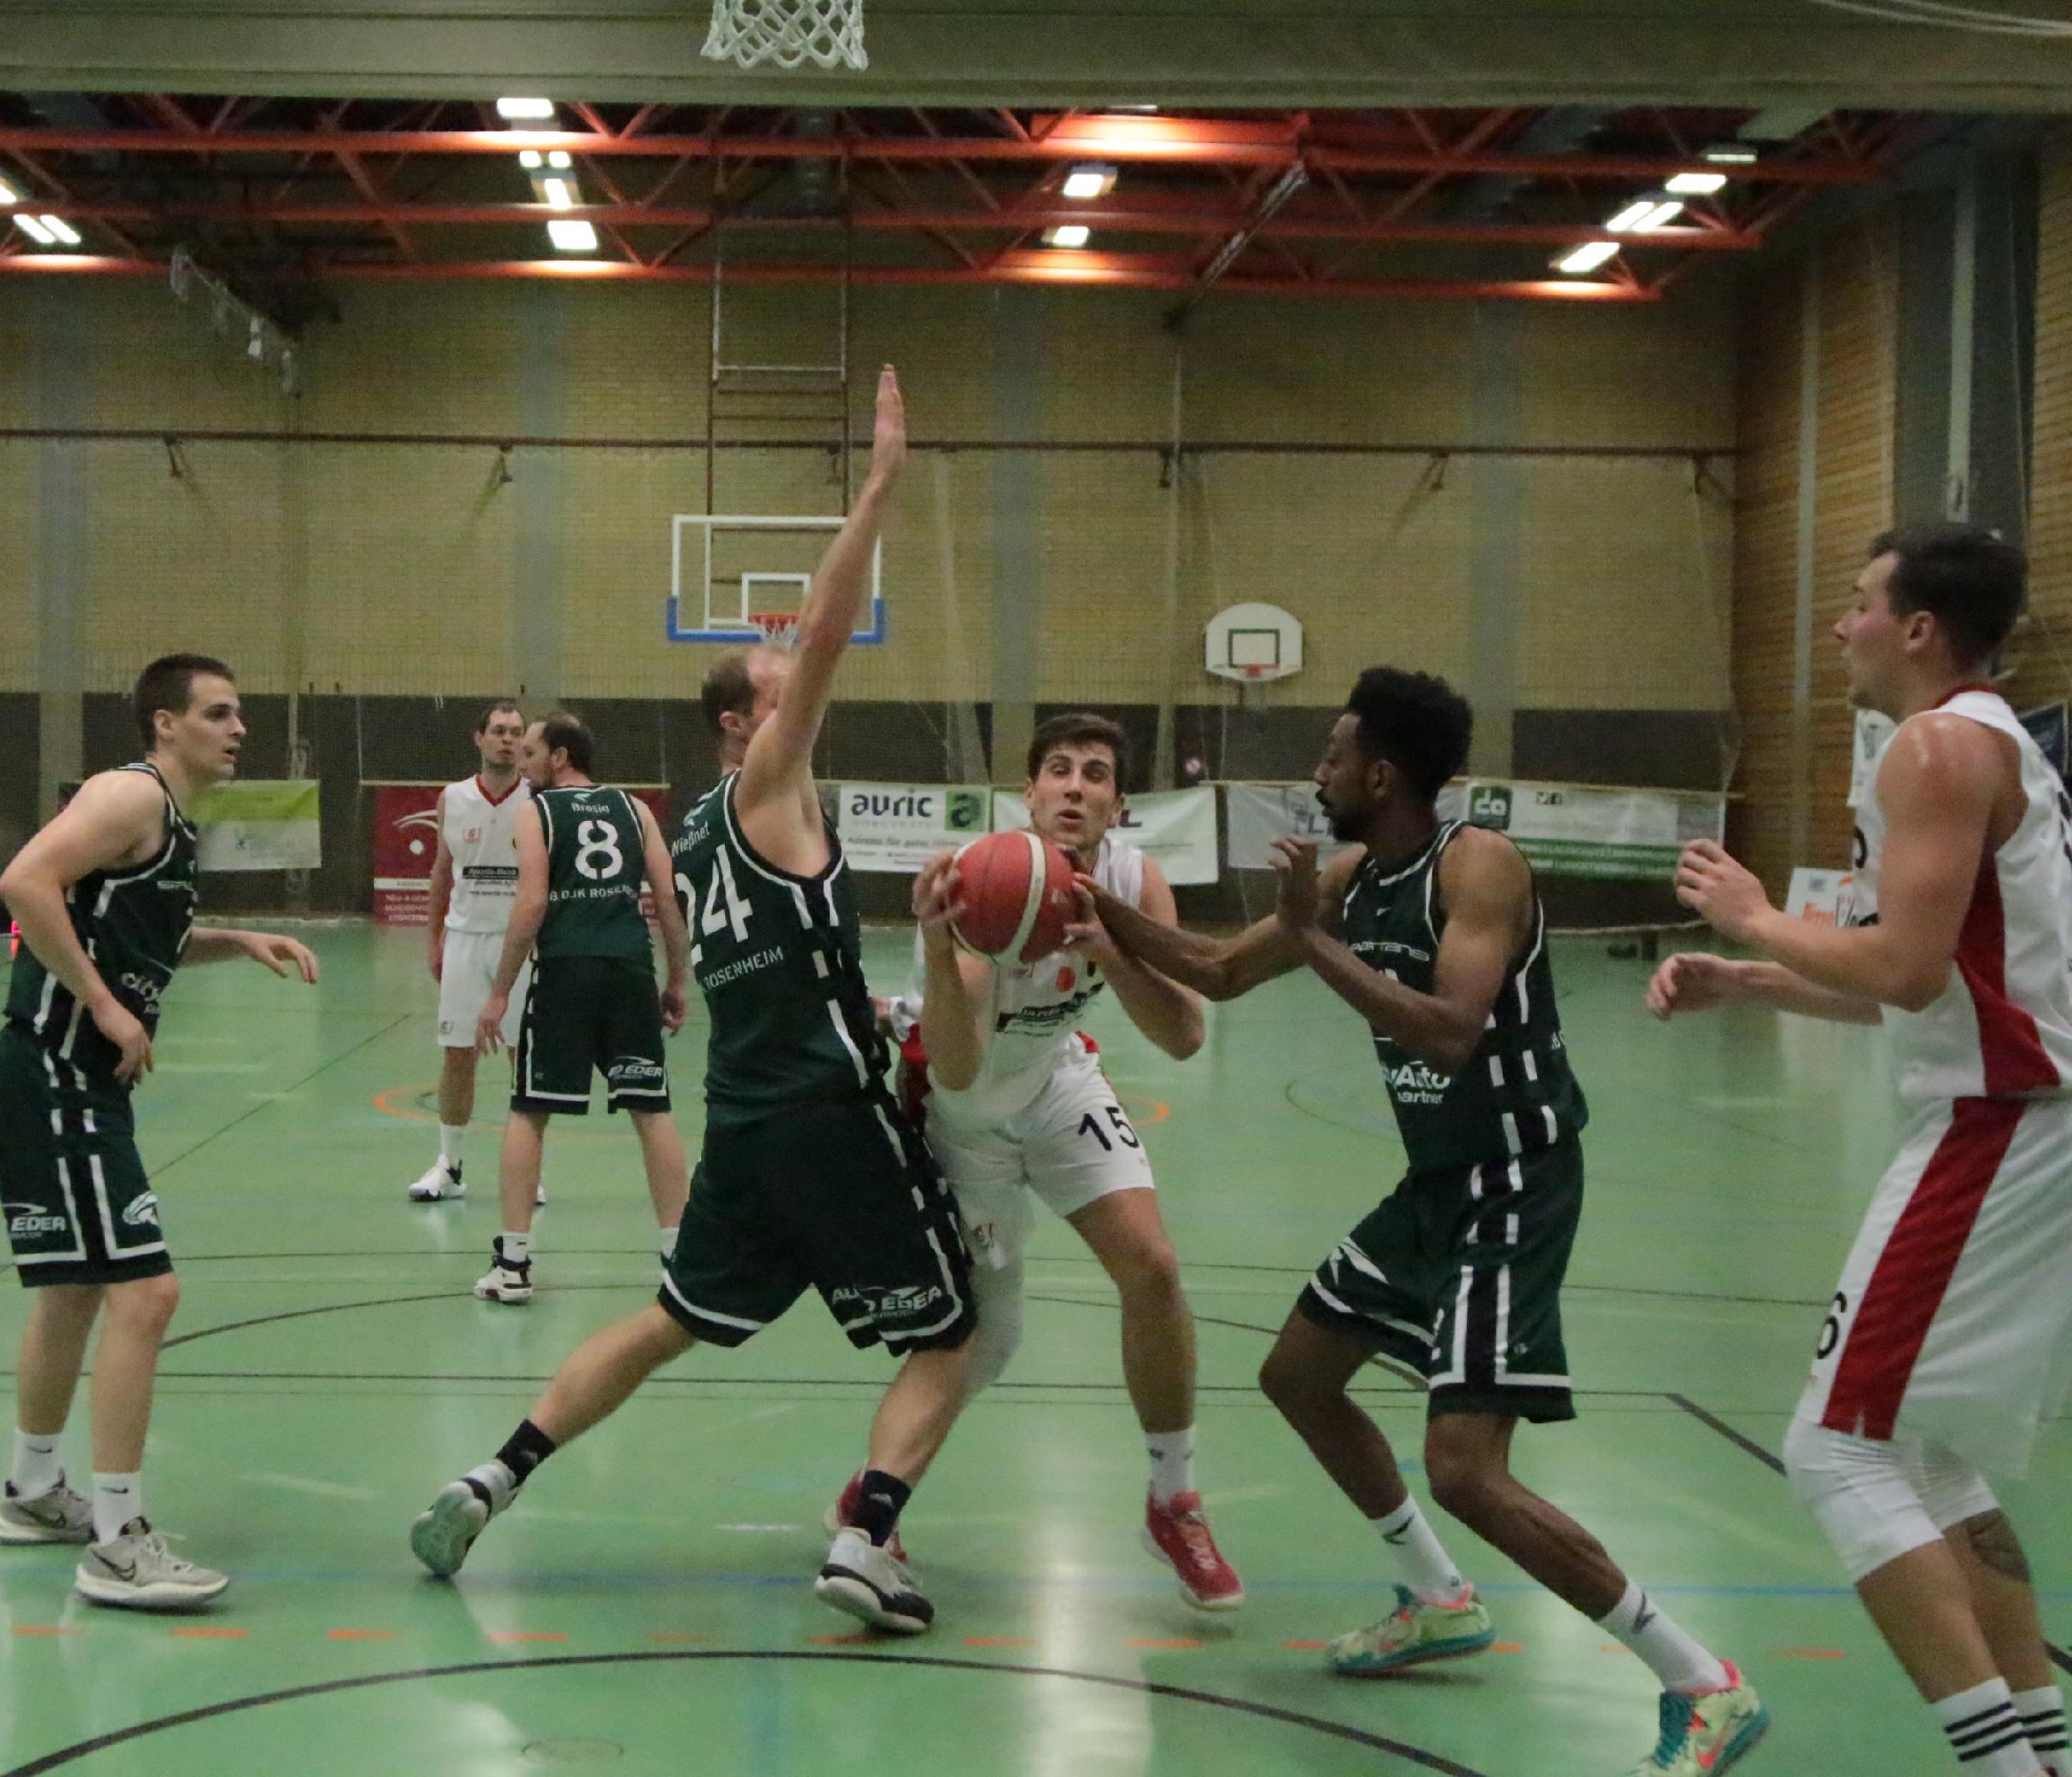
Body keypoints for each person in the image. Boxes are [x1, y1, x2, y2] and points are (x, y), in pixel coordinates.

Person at [1084, 666, 1767, 1777]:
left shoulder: (1477, 863)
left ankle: (1702, 1680)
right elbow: (1218, 967)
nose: (1319, 772)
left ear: (1383, 773)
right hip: (1438, 1182)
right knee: (1300, 1374)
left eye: (1335, 754)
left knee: (1465, 1467)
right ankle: (1438, 1593)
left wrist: (1313, 939)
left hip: (1515, 1178)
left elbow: (1452, 1030)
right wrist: (1085, 902)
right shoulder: (1352, 877)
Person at [411, 368, 981, 1636]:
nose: (803, 685)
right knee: (954, 1329)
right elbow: (825, 632)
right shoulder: (769, 784)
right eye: (777, 684)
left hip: (746, 1119)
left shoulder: (705, 829)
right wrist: (879, 489)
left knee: (671, 1320)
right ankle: (868, 1537)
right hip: (829, 1115)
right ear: (741, 721)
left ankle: (491, 1476)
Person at [1654, 523, 2072, 1777]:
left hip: (1998, 1126)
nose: (1841, 625)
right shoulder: (1990, 740)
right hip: (2022, 1113)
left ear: (1920, 628)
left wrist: (1752, 914)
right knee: (1927, 1454)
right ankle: (2044, 1753)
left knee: (1834, 1447)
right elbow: (1952, 984)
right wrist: (1758, 979)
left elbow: (1907, 967)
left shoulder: (1937, 746)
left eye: (1858, 603)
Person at [0, 652, 320, 1612]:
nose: (238, 727)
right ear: (165, 724)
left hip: (67, 1078)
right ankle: (117, 1542)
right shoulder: (129, 795)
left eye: (239, 712)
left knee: (74, 1291)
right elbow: (24, 884)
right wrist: (104, 1006)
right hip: (57, 1070)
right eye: (218, 712)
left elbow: (134, 933)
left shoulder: (170, 824)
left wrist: (236, 940)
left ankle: (33, 1489)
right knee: (148, 1291)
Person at [886, 712, 1240, 1608]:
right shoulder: (982, 883)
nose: (1075, 786)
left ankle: (1173, 1498)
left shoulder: (1133, 880)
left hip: (1055, 1080)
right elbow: (957, 1066)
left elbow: (1185, 1034)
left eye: (1094, 773)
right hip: (965, 1111)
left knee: (1153, 1267)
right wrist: (941, 947)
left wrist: (1112, 953)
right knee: (984, 1340)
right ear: (1030, 794)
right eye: (1058, 769)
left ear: (1119, 805)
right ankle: (874, 1499)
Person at [468, 711, 691, 1302]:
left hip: (565, 971)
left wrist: (499, 992)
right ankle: (682, 1259)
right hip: (629, 971)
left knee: (529, 1109)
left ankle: (513, 1265)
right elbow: (668, 897)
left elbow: (531, 904)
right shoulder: (636, 809)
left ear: (561, 757)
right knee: (652, 1109)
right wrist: (678, 979)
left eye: (532, 752)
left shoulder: (536, 812)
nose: (523, 763)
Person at [407, 700, 533, 1202]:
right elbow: (442, 869)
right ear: (479, 738)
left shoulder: (538, 799)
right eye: (498, 731)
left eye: (516, 732)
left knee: (524, 1058)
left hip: (520, 944)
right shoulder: (453, 798)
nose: (508, 740)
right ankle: (451, 1168)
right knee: (458, 1054)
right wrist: (434, 939)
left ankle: (529, 1168)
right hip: (464, 940)